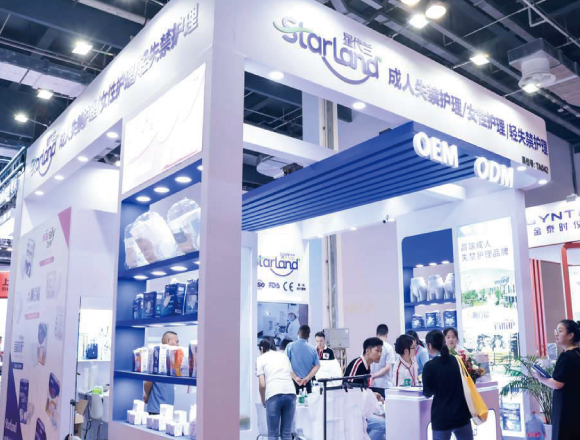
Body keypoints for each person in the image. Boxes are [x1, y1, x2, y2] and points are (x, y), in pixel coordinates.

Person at [532, 320, 580, 440]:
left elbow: (558, 384)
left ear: (570, 335)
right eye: (556, 331)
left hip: (566, 406)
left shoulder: (566, 356)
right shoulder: (577, 354)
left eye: (560, 331)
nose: (556, 334)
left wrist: (540, 378)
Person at [423, 330, 473, 440]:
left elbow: (427, 393)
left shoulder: (429, 366)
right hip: (462, 414)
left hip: (442, 417)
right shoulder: (457, 360)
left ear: (429, 345)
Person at [256, 336, 296, 440]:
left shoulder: (260, 359)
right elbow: (291, 374)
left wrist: (263, 400)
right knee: (286, 434)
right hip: (290, 393)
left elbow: (262, 384)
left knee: (273, 434)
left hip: (274, 394)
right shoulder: (283, 356)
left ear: (261, 348)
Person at [144, 331, 179, 414]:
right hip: (156, 409)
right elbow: (148, 382)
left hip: (168, 409)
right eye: (176, 342)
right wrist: (147, 395)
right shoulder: (157, 357)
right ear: (168, 341)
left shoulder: (171, 360)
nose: (178, 345)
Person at [285, 325, 320, 394]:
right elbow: (317, 365)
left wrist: (295, 378)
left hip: (292, 383)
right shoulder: (313, 349)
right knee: (308, 400)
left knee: (294, 401)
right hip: (307, 383)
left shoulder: (290, 346)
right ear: (308, 336)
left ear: (298, 333)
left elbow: (284, 363)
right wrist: (307, 378)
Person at [370, 324, 396, 396]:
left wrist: (371, 376)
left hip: (370, 383)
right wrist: (374, 375)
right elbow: (388, 368)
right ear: (387, 335)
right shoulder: (389, 348)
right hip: (383, 384)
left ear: (376, 334)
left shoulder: (369, 346)